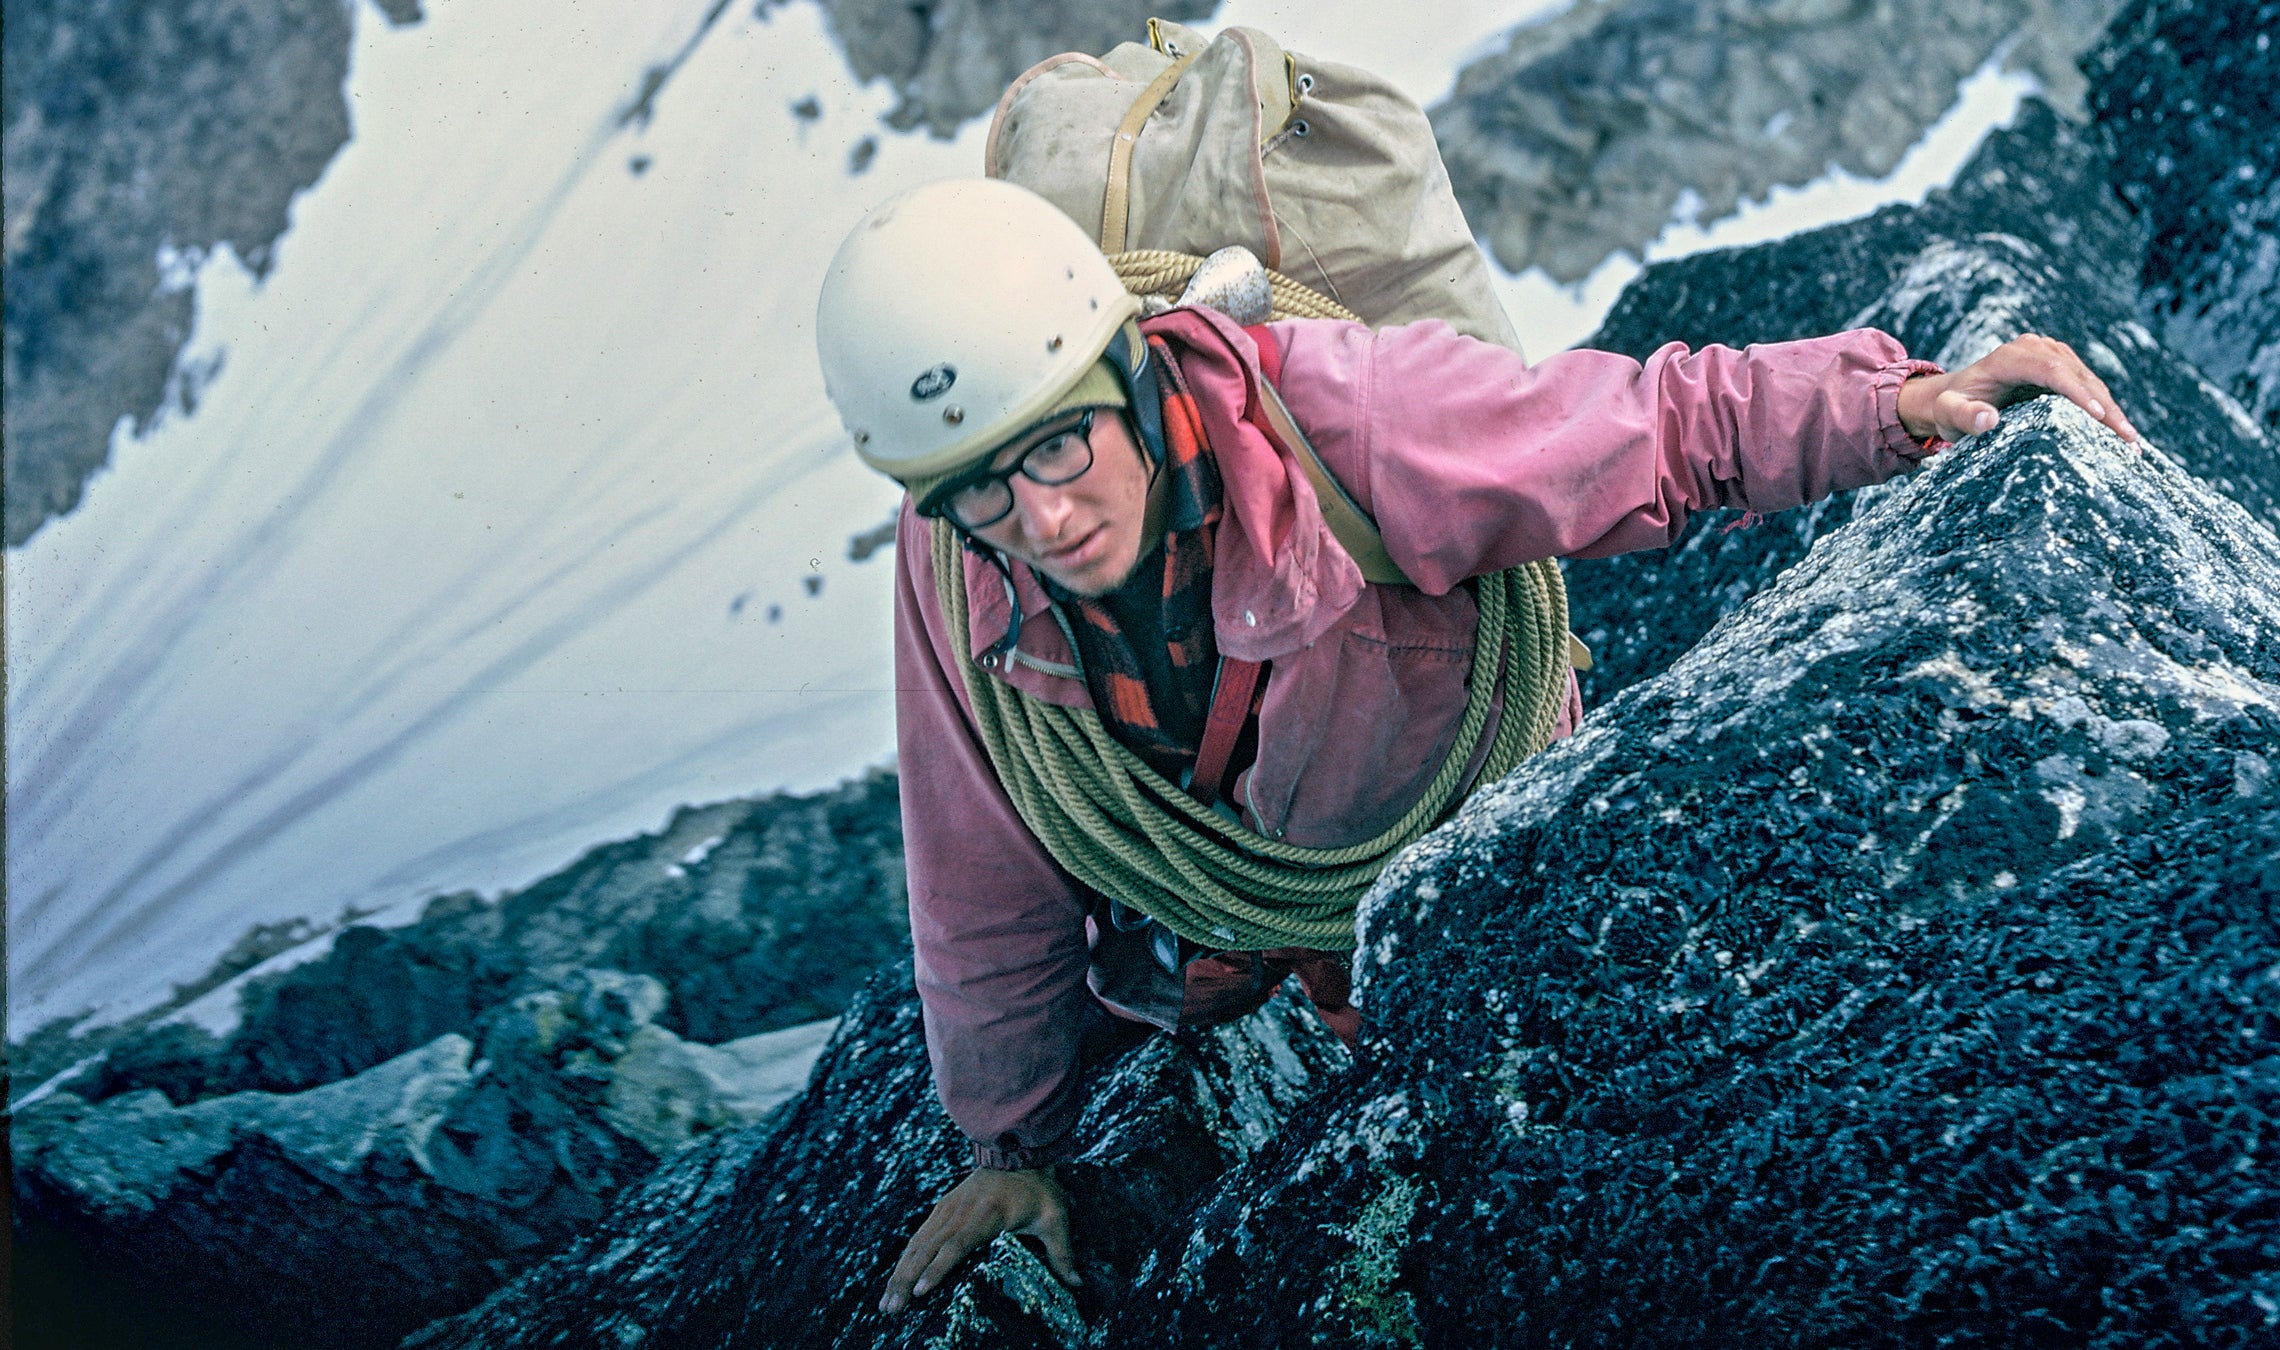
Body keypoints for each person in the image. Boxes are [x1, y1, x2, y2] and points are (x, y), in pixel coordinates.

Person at [814, 178, 2137, 1316]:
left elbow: (1649, 431)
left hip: (1466, 852)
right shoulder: (955, 561)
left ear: (1133, 376)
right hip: (1258, 913)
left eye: (1059, 447)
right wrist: (1010, 1138)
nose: (1036, 518)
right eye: (981, 485)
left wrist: (1898, 405)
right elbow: (977, 862)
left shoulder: (1342, 419)